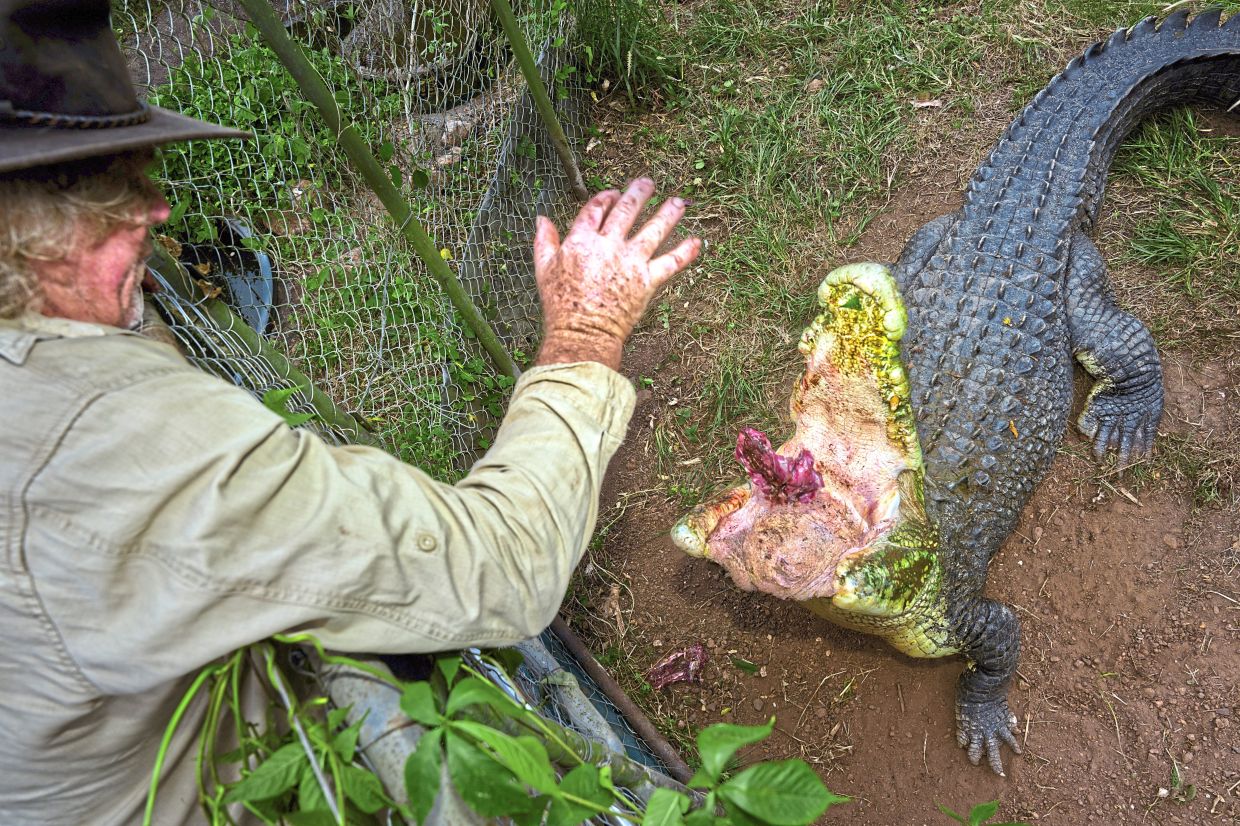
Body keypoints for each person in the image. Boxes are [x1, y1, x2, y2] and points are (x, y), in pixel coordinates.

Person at [0, 1, 701, 823]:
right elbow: (501, 564)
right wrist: (585, 329)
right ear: (26, 235)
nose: (157, 212)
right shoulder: (117, 441)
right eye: (118, 190)